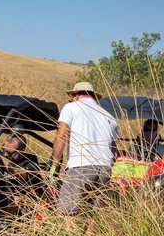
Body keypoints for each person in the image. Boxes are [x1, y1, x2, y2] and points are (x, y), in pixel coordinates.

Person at [50, 82, 118, 215]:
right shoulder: (110, 117)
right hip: (105, 169)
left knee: (67, 213)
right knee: (91, 215)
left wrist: (55, 164)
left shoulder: (71, 107)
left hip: (81, 166)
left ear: (76, 95)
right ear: (93, 96)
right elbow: (114, 151)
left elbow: (61, 135)